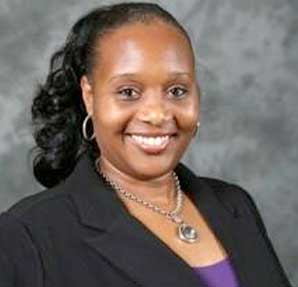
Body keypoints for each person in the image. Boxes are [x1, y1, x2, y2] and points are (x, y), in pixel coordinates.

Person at [0, 2, 292, 287]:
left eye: (177, 90)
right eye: (128, 92)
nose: (157, 114)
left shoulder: (235, 204)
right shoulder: (27, 236)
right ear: (90, 96)